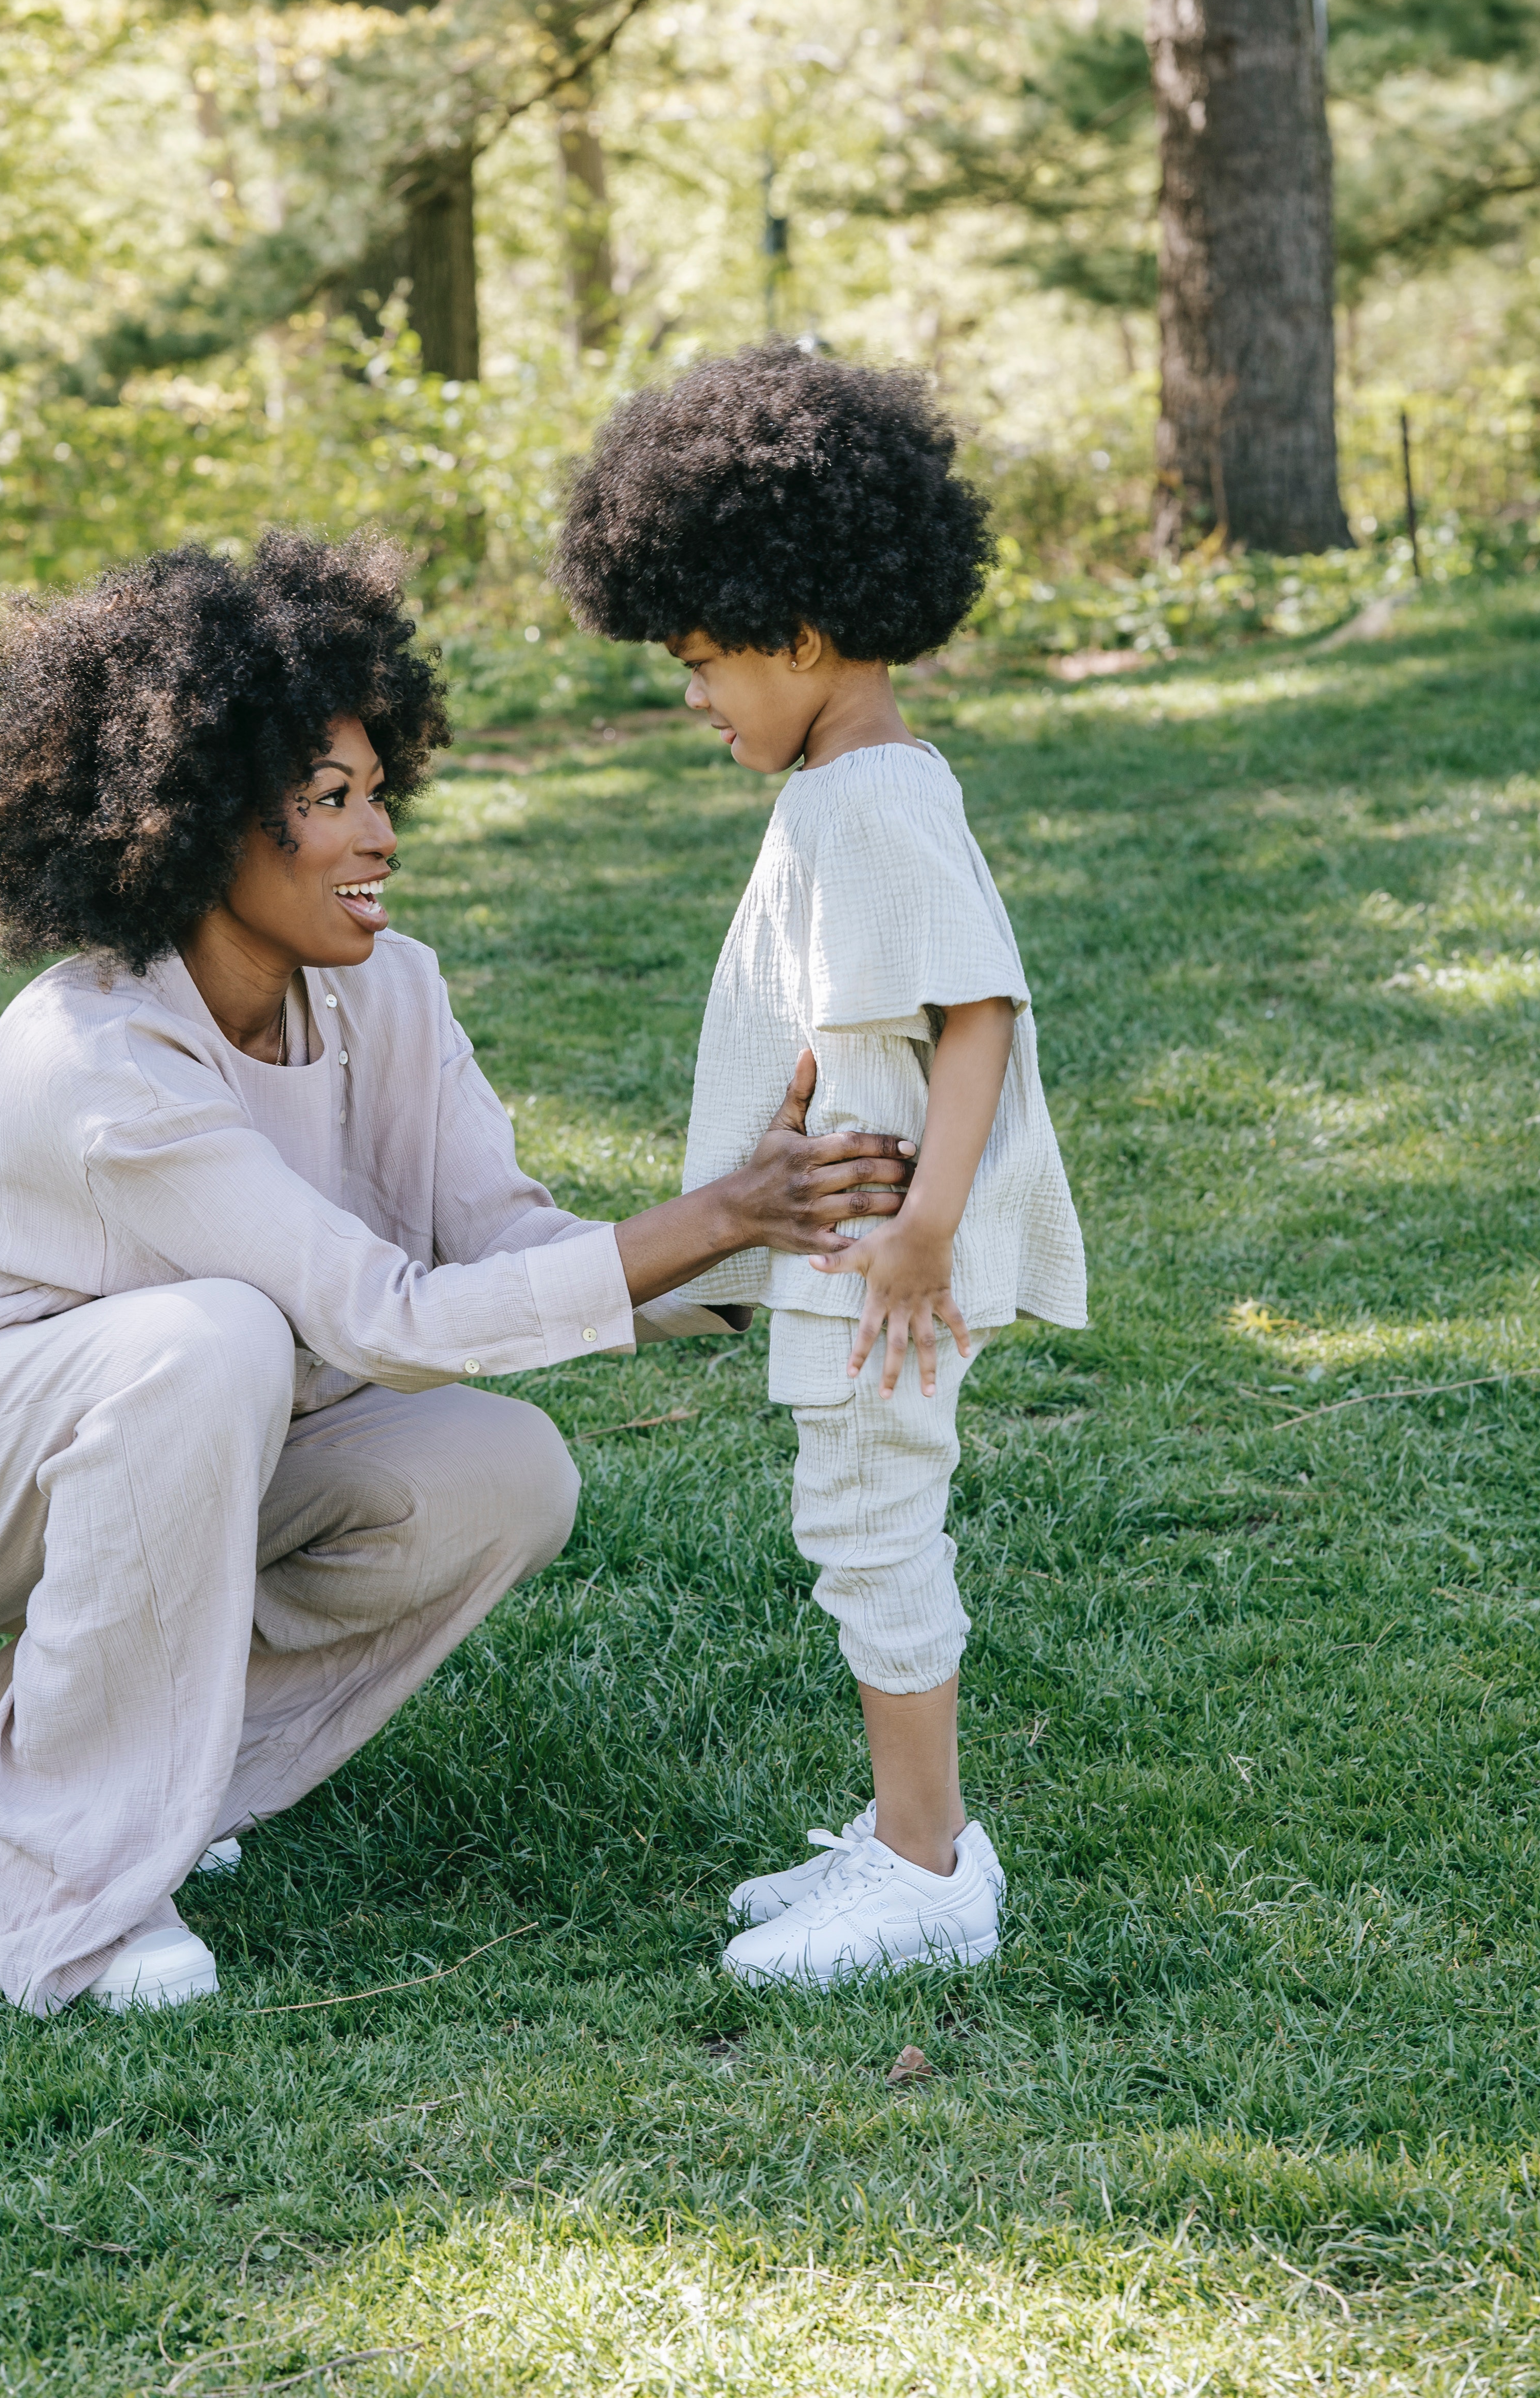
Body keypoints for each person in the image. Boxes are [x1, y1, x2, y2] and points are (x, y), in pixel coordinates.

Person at [0, 531, 911, 2016]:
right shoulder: (98, 1051)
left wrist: (754, 1241)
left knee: (500, 1469)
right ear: (201, 825)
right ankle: (63, 1904)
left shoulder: (392, 994)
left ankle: (61, 1763)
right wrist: (719, 1210)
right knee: (215, 1336)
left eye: (379, 794)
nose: (381, 840)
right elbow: (382, 1315)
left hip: (171, 1436)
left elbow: (510, 1246)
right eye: (330, 804)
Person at [553, 346, 1087, 1985]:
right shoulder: (837, 794)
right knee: (853, 1513)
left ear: (803, 633)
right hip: (852, 1236)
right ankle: (902, 1834)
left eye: (710, 662)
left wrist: (924, 1234)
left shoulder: (872, 798)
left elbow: (980, 1011)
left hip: (885, 1261)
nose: (695, 699)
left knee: (872, 1520)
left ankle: (929, 1871)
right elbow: (842, 1009)